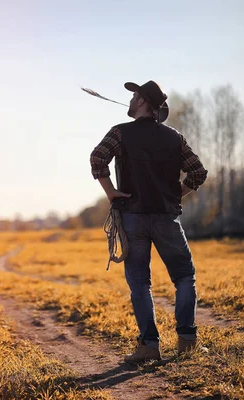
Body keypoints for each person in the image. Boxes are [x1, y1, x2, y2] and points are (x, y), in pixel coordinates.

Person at [90, 80, 208, 363]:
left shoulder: (120, 133)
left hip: (132, 218)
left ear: (142, 101)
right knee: (184, 278)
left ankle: (149, 347)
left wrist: (111, 193)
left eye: (134, 95)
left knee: (140, 284)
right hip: (167, 218)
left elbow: (97, 158)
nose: (130, 99)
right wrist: (175, 194)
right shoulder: (174, 137)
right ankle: (187, 343)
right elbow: (198, 173)